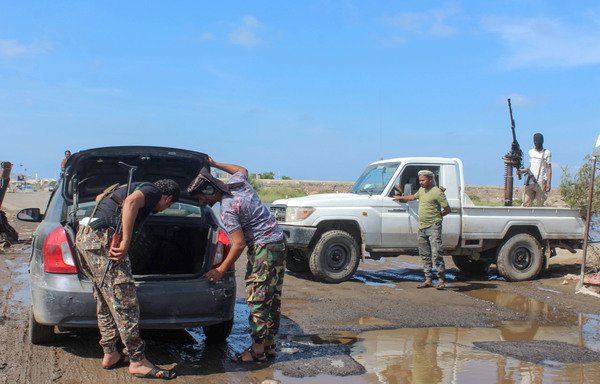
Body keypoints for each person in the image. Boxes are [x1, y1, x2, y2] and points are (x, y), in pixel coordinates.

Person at [75, 179, 180, 380]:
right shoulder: (152, 190)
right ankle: (137, 360)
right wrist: (125, 240)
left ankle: (110, 353)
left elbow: (100, 199)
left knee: (104, 299)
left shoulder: (124, 186)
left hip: (85, 237)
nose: (166, 208)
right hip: (105, 240)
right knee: (125, 302)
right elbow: (131, 203)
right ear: (167, 197)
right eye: (170, 204)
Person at [187, 157, 286, 363]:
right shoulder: (237, 183)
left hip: (263, 248)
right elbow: (242, 168)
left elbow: (238, 244)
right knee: (271, 296)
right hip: (277, 242)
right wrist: (214, 164)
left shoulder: (228, 209)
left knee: (257, 298)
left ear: (208, 191)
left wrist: (220, 270)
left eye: (201, 198)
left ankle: (257, 351)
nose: (201, 202)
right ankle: (268, 345)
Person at [394, 170, 450, 290]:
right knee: (425, 255)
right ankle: (428, 279)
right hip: (422, 227)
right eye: (419, 180)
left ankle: (441, 280)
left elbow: (447, 209)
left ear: (430, 179)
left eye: (423, 180)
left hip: (433, 226)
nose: (420, 182)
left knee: (436, 254)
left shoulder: (437, 192)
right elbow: (413, 197)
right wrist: (400, 198)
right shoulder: (422, 190)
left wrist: (438, 216)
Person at [517, 133, 552, 207]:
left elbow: (549, 168)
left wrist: (548, 183)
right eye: (535, 141)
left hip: (541, 181)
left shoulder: (547, 153)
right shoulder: (531, 152)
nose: (537, 143)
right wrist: (523, 171)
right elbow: (531, 166)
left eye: (538, 141)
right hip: (530, 181)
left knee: (540, 204)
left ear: (542, 141)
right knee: (526, 203)